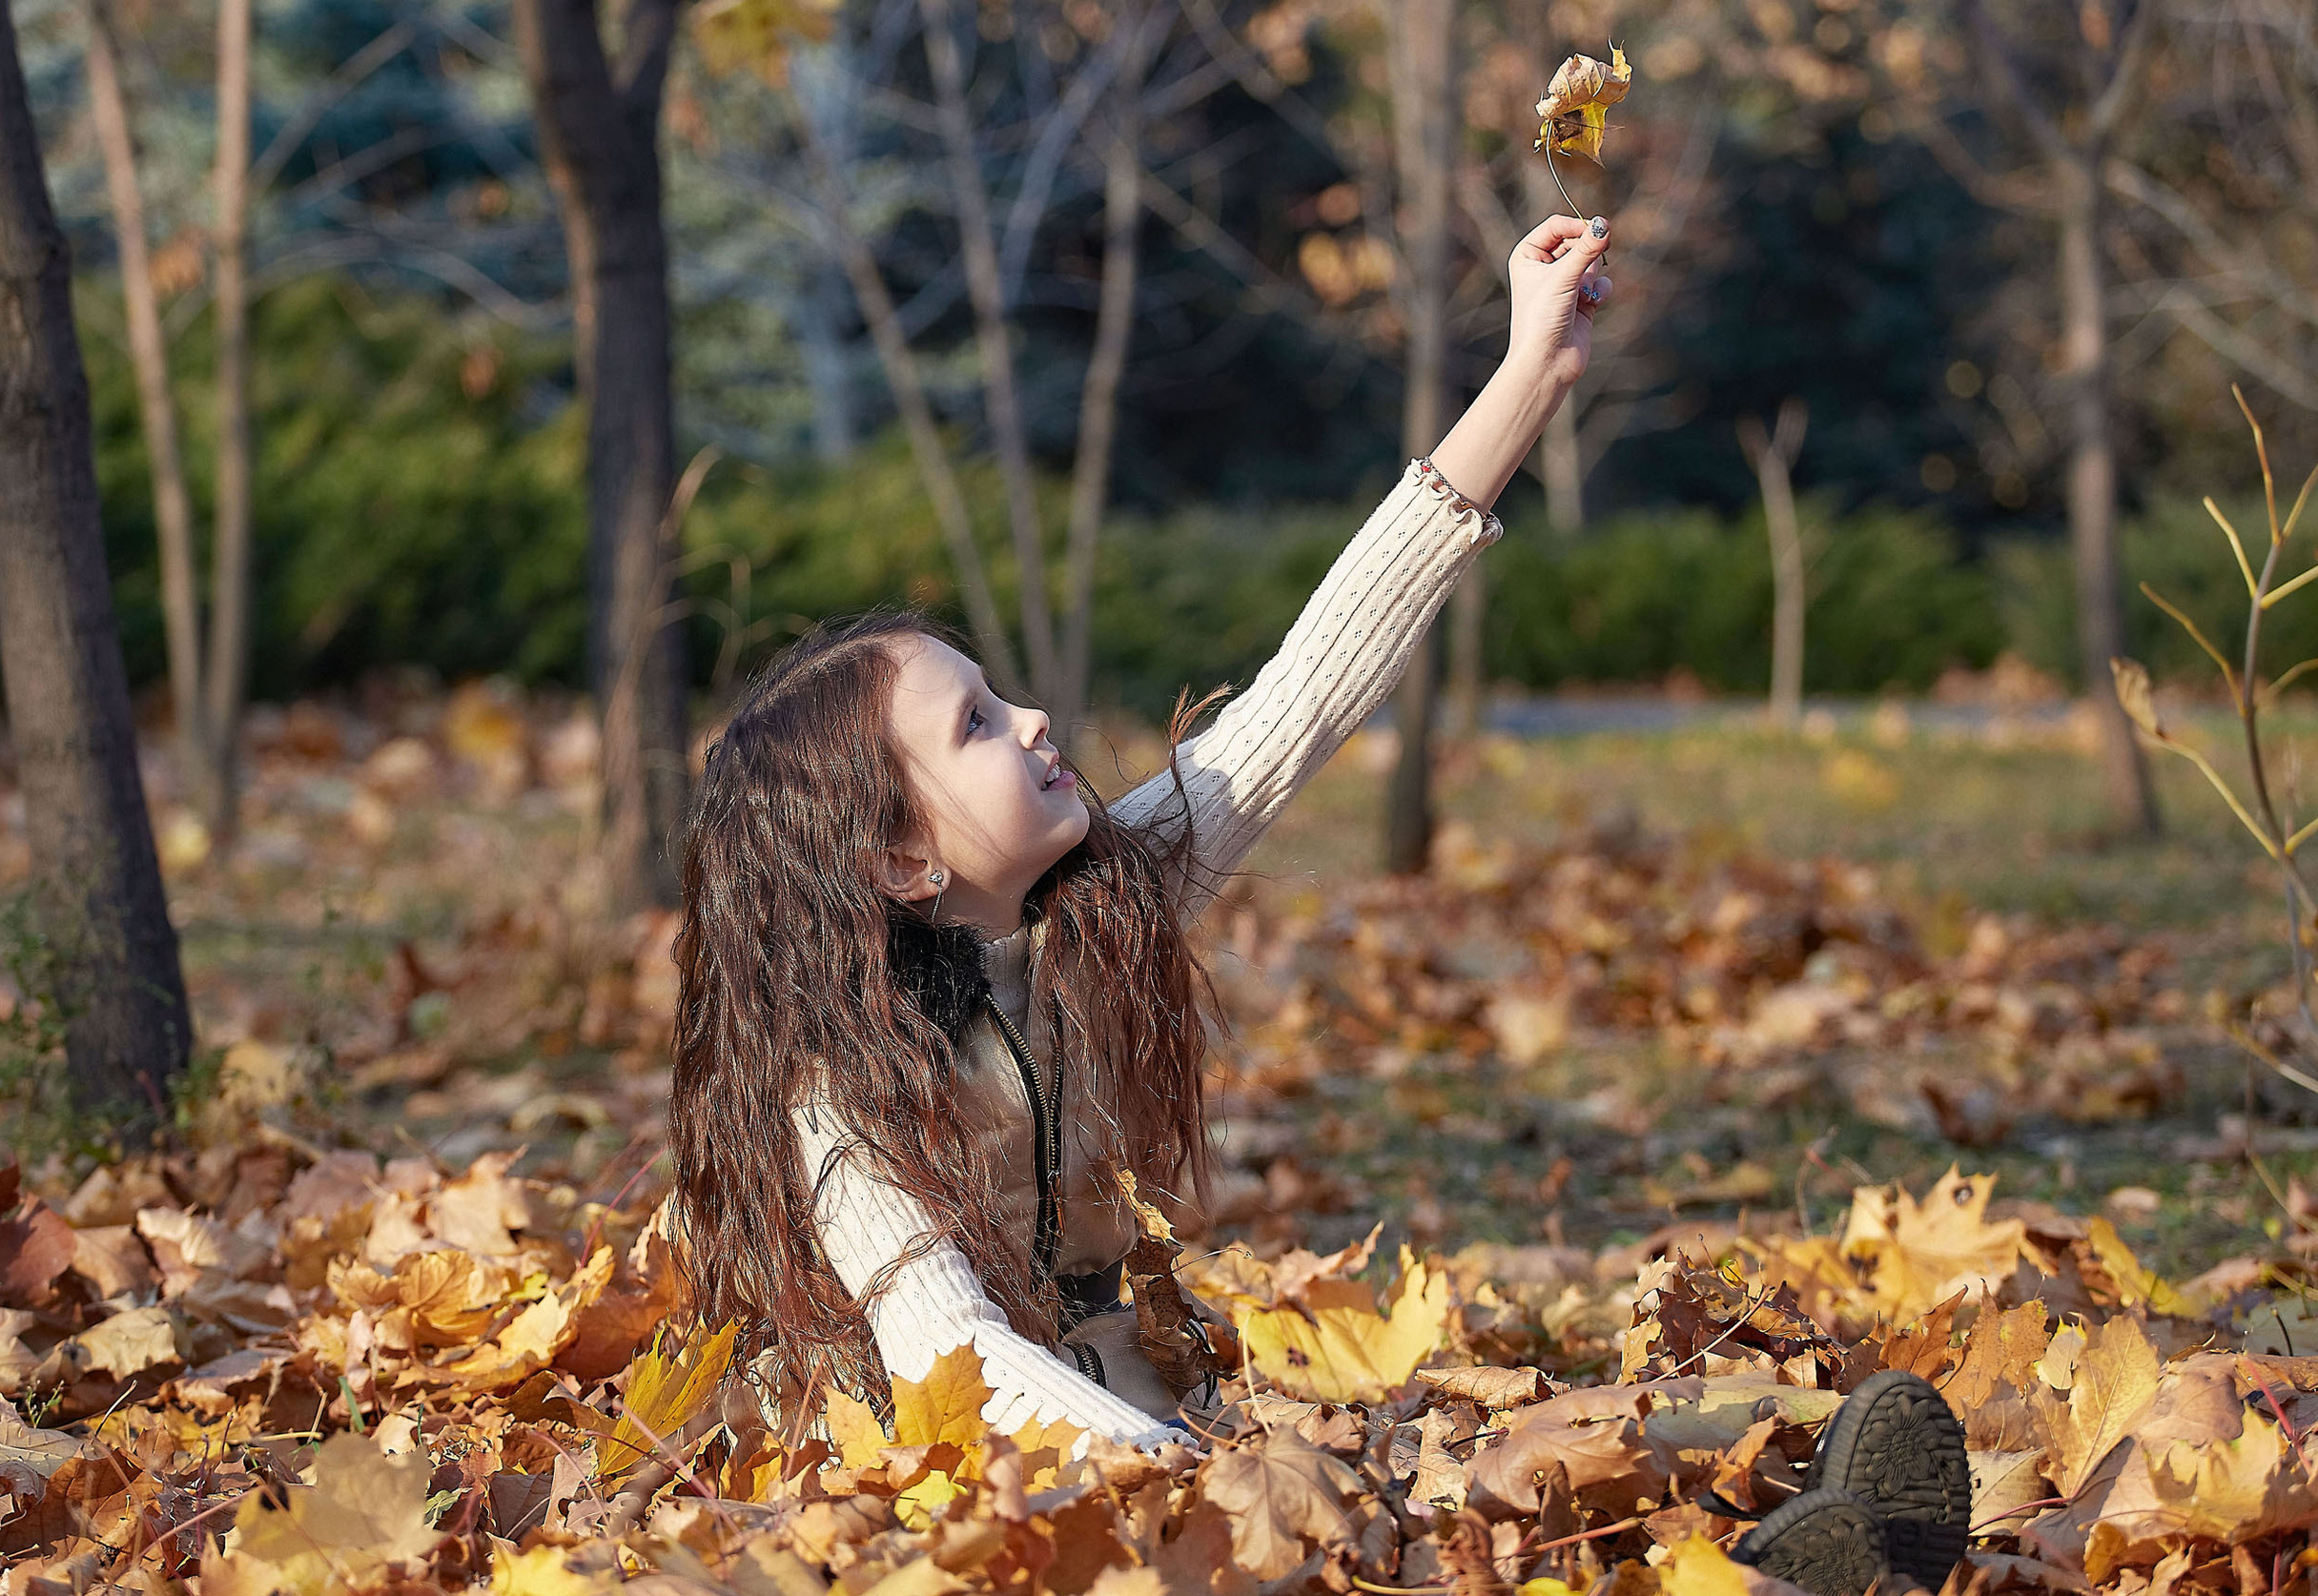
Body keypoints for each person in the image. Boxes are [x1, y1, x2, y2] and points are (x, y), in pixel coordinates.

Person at [668, 209, 1618, 1452]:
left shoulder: (1105, 889)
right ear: (902, 860)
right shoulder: (838, 1084)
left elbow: (1309, 691)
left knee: (1470, 1458)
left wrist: (1532, 368)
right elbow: (955, 1357)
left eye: (999, 696)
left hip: (1136, 1388)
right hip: (952, 1469)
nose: (1034, 719)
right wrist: (1185, 1477)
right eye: (976, 726)